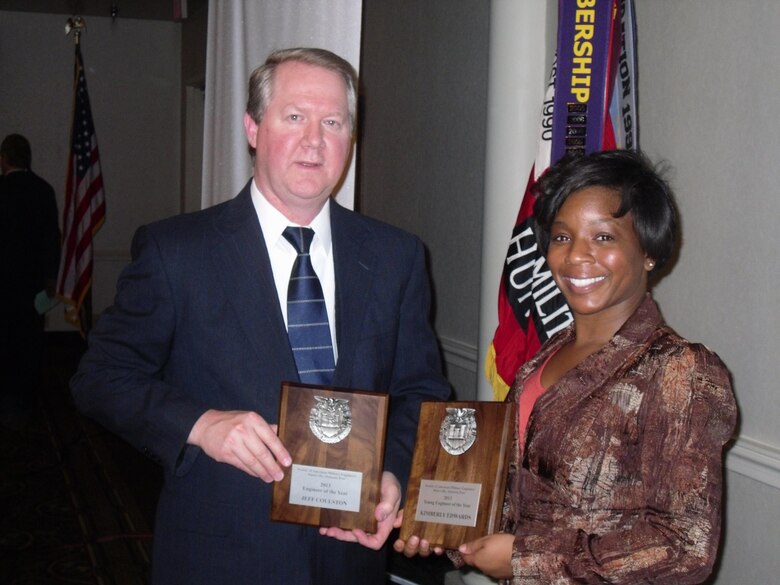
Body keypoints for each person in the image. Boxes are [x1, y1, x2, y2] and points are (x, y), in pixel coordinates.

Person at [71, 48, 451, 584]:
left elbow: (421, 389)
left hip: (349, 559)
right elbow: (100, 377)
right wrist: (201, 425)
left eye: (333, 122)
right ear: (253, 128)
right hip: (223, 557)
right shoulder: (176, 251)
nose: (314, 139)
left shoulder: (397, 256)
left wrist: (393, 474)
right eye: (294, 116)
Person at [395, 149, 737, 584]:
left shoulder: (679, 370)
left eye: (604, 237)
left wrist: (526, 559)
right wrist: (443, 526)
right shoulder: (543, 358)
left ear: (648, 250)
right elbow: (521, 497)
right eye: (561, 237)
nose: (577, 256)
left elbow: (683, 548)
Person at [0, 134, 60, 427]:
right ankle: (24, 400)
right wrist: (50, 278)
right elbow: (52, 239)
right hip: (32, 283)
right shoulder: (43, 190)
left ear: (4, 159)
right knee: (29, 340)